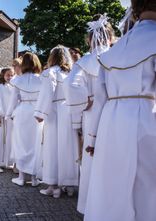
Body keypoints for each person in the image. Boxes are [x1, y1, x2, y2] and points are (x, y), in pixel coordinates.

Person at [84, 1, 156, 220]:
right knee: (146, 190)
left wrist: (92, 138)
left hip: (110, 123)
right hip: (147, 117)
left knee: (112, 188)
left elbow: (100, 100)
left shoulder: (116, 49)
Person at [63, 14, 115, 213]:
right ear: (109, 37)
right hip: (117, 110)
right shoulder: (119, 55)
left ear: (90, 39)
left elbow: (71, 85)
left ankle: (90, 205)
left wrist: (86, 101)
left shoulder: (85, 61)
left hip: (93, 114)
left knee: (92, 156)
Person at [34, 45, 79, 198]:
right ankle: (69, 184)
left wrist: (40, 113)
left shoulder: (49, 73)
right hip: (69, 110)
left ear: (52, 57)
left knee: (52, 147)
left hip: (53, 111)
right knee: (68, 147)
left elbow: (47, 93)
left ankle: (53, 186)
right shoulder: (71, 73)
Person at [6, 52, 43, 187]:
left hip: (22, 112)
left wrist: (8, 114)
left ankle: (21, 177)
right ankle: (33, 178)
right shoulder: (42, 79)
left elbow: (13, 100)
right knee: (35, 144)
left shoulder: (18, 80)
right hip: (36, 113)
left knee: (21, 143)